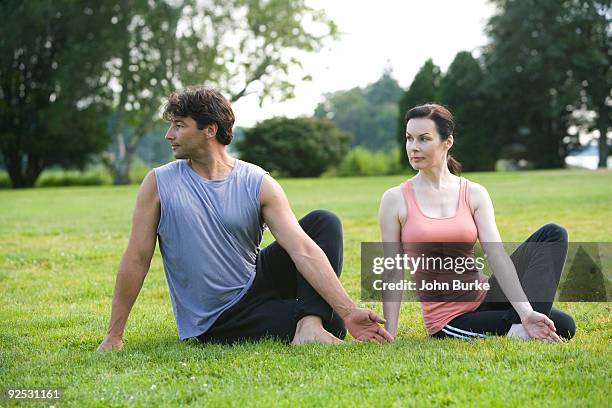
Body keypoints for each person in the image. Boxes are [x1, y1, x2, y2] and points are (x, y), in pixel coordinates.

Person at [98, 86, 393, 351]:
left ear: (209, 130)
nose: (169, 135)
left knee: (323, 222)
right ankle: (310, 323)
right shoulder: (158, 184)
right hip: (220, 316)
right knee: (334, 326)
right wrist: (114, 335)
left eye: (179, 126)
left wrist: (348, 309)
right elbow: (137, 258)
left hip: (255, 280)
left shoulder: (256, 181)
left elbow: (301, 248)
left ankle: (309, 325)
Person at [378, 103, 575, 341]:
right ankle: (519, 330)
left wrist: (526, 311)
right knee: (557, 327)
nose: (414, 147)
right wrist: (390, 333)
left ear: (447, 142)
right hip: (451, 319)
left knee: (553, 237)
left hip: (484, 298)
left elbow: (497, 255)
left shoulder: (473, 193)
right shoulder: (395, 199)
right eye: (409, 138)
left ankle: (522, 325)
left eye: (424, 139)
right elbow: (392, 270)